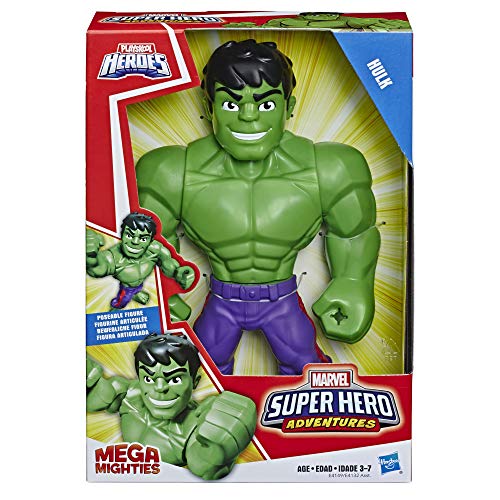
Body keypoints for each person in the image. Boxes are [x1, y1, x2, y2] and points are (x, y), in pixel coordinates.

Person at [136, 40, 380, 375]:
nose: (248, 116)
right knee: (199, 376)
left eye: (265, 104)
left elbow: (354, 232)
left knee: (308, 372)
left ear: (288, 106)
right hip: (222, 302)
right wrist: (160, 294)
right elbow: (149, 241)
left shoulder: (328, 168)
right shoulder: (173, 171)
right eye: (231, 103)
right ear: (209, 106)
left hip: (282, 301)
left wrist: (352, 282)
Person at [87, 333, 257, 480]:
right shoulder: (129, 394)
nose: (160, 388)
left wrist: (227, 436)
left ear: (195, 382)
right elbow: (96, 395)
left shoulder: (193, 429)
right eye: (149, 378)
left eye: (174, 379)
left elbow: (206, 467)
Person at [86, 212, 195, 312]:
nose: (135, 242)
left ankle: (136, 293)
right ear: (122, 235)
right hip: (127, 287)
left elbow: (170, 266)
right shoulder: (114, 257)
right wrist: (90, 256)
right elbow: (97, 268)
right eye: (129, 235)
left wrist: (181, 274)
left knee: (138, 286)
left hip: (139, 283)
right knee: (122, 301)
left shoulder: (155, 250)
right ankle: (115, 310)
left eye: (143, 239)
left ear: (151, 240)